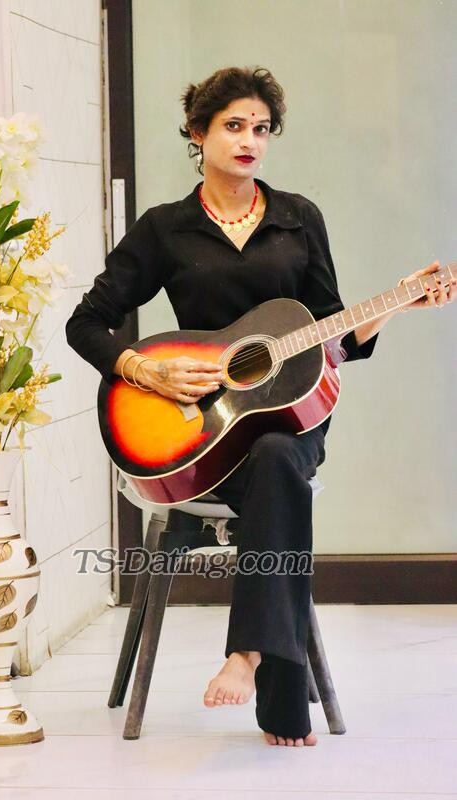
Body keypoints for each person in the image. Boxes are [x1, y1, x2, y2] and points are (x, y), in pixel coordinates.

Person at [65, 66, 455, 747]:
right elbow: (86, 324)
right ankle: (277, 697)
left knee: (278, 455)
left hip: (288, 421)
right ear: (197, 133)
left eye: (262, 128)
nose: (250, 140)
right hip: (200, 433)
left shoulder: (297, 218)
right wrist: (144, 370)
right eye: (234, 126)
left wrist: (395, 305)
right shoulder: (165, 230)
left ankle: (246, 654)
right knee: (275, 473)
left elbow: (335, 333)